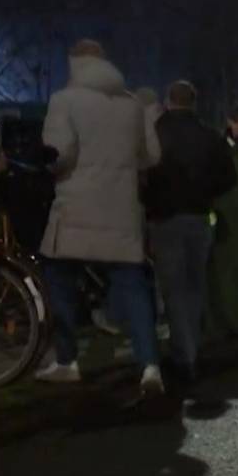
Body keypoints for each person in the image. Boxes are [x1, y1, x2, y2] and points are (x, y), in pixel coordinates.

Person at [34, 40, 164, 394]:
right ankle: (150, 367)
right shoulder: (133, 104)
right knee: (134, 288)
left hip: (75, 210)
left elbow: (59, 155)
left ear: (74, 62)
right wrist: (121, 168)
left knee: (57, 280)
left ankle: (67, 361)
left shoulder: (65, 100)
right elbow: (151, 156)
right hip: (122, 212)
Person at [144, 81, 237, 383]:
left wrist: (151, 201)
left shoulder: (155, 133)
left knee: (173, 288)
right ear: (194, 103)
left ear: (168, 101)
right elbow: (229, 177)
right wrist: (204, 192)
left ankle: (185, 355)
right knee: (195, 285)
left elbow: (141, 174)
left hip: (165, 218)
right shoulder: (208, 135)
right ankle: (190, 346)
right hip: (199, 216)